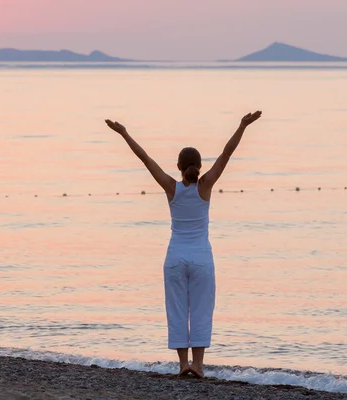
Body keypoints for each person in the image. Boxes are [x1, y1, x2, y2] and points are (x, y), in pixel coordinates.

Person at [105, 111, 262, 378]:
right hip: (201, 258)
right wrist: (242, 126)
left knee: (177, 308)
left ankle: (182, 365)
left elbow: (145, 159)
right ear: (200, 166)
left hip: (175, 258)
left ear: (178, 166)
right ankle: (198, 366)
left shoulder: (171, 187)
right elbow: (226, 154)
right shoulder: (206, 185)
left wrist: (124, 133)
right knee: (201, 309)